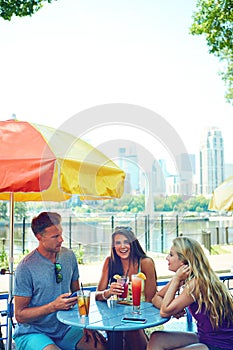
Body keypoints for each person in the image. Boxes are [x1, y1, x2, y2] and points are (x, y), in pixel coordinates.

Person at [148, 236, 233, 350]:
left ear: (183, 260)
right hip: (205, 337)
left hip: (220, 345)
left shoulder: (197, 283)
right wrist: (173, 310)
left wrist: (176, 282)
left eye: (171, 255)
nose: (167, 258)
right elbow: (156, 298)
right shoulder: (186, 276)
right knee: (156, 338)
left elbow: (164, 311)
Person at [13, 212, 83, 350]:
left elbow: (78, 294)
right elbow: (20, 315)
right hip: (33, 332)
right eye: (55, 236)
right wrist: (53, 306)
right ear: (39, 237)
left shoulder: (69, 256)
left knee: (99, 345)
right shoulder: (25, 267)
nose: (61, 239)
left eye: (61, 234)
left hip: (65, 328)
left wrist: (86, 327)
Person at [95, 226, 157, 350]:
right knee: (111, 329)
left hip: (144, 318)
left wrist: (134, 315)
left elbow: (151, 300)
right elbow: (97, 295)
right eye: (118, 243)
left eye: (126, 242)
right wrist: (108, 292)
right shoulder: (110, 262)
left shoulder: (145, 263)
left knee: (129, 330)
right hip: (118, 318)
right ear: (113, 247)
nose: (122, 246)